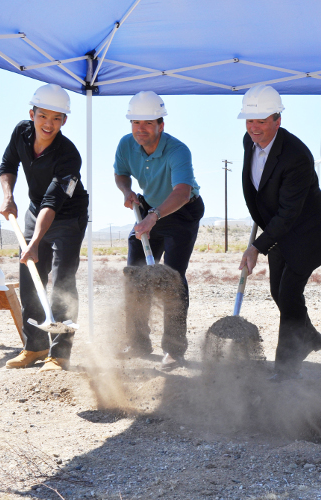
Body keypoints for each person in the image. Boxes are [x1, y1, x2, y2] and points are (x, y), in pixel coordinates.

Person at [237, 85, 321, 382]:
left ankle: (286, 370)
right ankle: (310, 336)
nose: (254, 128)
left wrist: (256, 246)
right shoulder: (249, 140)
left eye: (261, 121)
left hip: (306, 234)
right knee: (278, 292)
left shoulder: (296, 156)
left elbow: (290, 213)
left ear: (277, 119)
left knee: (290, 294)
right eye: (249, 121)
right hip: (278, 231)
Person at [0, 83, 89, 372]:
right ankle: (35, 347)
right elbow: (7, 164)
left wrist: (35, 242)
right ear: (32, 113)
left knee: (63, 280)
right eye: (43, 116)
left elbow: (53, 201)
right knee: (30, 277)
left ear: (64, 120)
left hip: (67, 215)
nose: (48, 124)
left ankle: (60, 354)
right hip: (35, 209)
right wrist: (8, 197)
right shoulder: (21, 133)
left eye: (56, 118)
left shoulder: (69, 156)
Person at [114, 91, 204, 369]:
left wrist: (153, 217)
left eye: (148, 124)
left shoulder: (178, 150)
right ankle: (138, 342)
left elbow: (181, 191)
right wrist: (128, 191)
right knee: (136, 276)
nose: (140, 129)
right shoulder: (126, 144)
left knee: (173, 278)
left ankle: (174, 350)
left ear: (160, 125)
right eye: (135, 123)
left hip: (181, 211)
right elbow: (120, 173)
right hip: (150, 207)